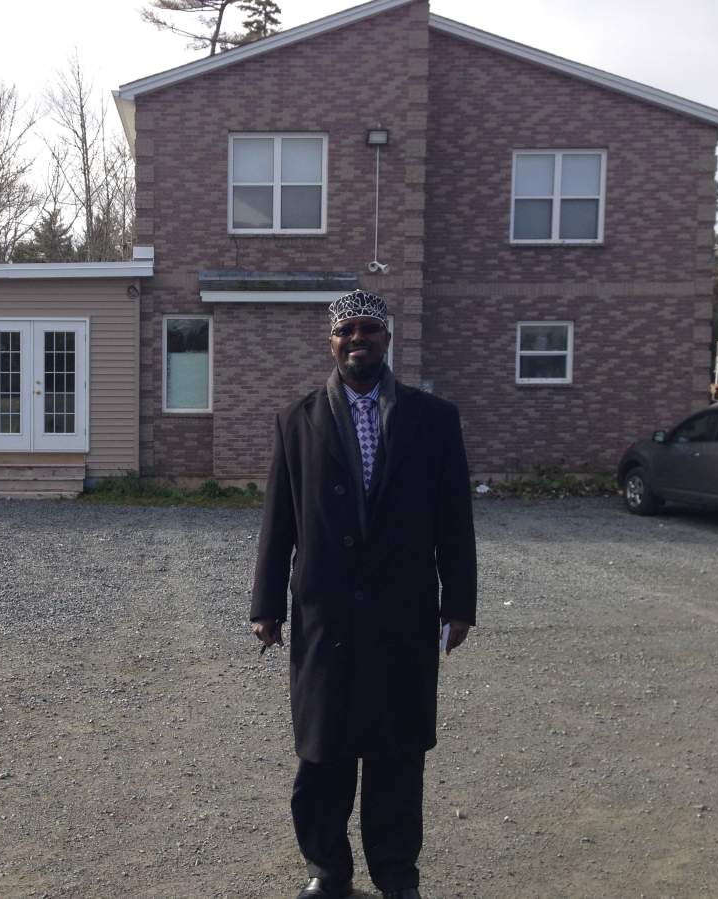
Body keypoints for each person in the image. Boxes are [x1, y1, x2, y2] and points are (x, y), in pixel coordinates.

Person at [251, 289, 477, 899]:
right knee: (322, 752)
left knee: (397, 755)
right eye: (347, 330)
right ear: (332, 341)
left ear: (387, 338)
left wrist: (460, 602)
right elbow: (280, 521)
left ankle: (396, 875)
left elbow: (454, 519)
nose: (358, 340)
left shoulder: (434, 420)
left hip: (402, 616)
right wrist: (266, 603)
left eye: (369, 330)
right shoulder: (297, 420)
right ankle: (328, 871)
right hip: (324, 616)